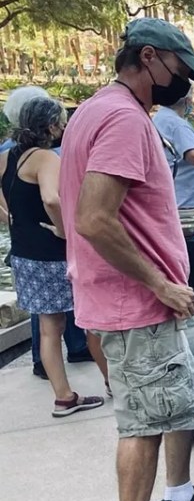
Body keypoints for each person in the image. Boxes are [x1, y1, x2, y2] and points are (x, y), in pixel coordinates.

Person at [59, 17, 194, 501]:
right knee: (142, 421)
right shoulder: (120, 117)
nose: (185, 84)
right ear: (149, 58)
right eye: (181, 71)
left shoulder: (101, 109)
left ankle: (181, 500)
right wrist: (158, 283)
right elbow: (93, 218)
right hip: (135, 302)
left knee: (177, 400)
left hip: (153, 298)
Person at [0, 97, 107, 417]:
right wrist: (64, 230)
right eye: (62, 123)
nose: (64, 129)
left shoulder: (7, 157)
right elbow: (52, 198)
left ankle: (63, 397)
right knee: (91, 322)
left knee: (49, 329)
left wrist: (10, 219)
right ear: (50, 126)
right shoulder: (46, 158)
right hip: (54, 255)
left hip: (23, 253)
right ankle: (113, 382)